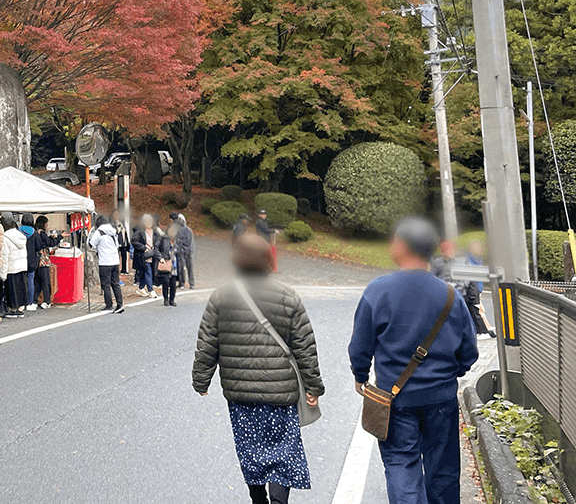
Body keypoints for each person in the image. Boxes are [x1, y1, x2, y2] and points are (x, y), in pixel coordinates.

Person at [348, 216, 479, 504]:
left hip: (395, 398)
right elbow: (469, 351)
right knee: (442, 470)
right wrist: (450, 373)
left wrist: (360, 376)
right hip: (441, 399)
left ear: (401, 247)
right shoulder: (449, 295)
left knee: (400, 464)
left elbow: (360, 345)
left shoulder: (378, 290)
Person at [193, 234, 324, 504]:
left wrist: (201, 381)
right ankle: (278, 500)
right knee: (282, 450)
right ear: (268, 261)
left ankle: (257, 498)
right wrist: (313, 387)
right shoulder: (287, 296)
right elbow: (305, 346)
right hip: (280, 395)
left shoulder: (221, 296)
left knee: (250, 449)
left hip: (240, 396)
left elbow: (208, 343)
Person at [89, 215, 125, 313]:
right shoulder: (113, 232)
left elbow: (92, 244)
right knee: (116, 284)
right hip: (115, 261)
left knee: (106, 284)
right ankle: (120, 304)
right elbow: (117, 245)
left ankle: (109, 305)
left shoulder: (99, 232)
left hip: (105, 262)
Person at [27, 215, 60, 309]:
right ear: (44, 224)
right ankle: (46, 301)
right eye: (46, 224)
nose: (47, 226)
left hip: (35, 260)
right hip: (43, 260)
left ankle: (34, 300)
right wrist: (59, 237)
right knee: (45, 281)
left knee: (37, 281)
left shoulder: (34, 232)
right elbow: (49, 243)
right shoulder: (41, 233)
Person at [465, 240, 496, 337]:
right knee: (479, 310)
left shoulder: (477, 259)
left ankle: (484, 330)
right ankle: (487, 330)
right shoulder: (469, 260)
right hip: (474, 288)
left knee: (478, 309)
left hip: (478, 287)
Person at [2, 214, 28, 317]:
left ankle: (12, 310)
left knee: (11, 289)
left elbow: (4, 256)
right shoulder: (21, 236)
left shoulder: (5, 238)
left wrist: (2, 273)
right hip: (21, 266)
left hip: (11, 267)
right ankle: (20, 309)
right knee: (21, 287)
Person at [132, 214, 161, 298]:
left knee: (146, 272)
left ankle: (141, 288)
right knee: (148, 272)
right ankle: (151, 290)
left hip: (153, 255)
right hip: (143, 256)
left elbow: (159, 242)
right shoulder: (139, 232)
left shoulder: (155, 232)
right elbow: (134, 241)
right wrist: (144, 248)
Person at [157, 219, 178, 306]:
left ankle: (172, 299)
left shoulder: (177, 240)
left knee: (173, 284)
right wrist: (160, 257)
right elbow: (156, 248)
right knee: (166, 282)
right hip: (166, 263)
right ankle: (166, 299)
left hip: (174, 265)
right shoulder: (163, 238)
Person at [175, 212, 196, 289]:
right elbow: (177, 241)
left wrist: (190, 251)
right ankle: (182, 282)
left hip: (187, 251)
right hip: (182, 251)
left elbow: (191, 242)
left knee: (189, 267)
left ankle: (191, 283)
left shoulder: (188, 230)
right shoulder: (178, 230)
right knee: (181, 267)